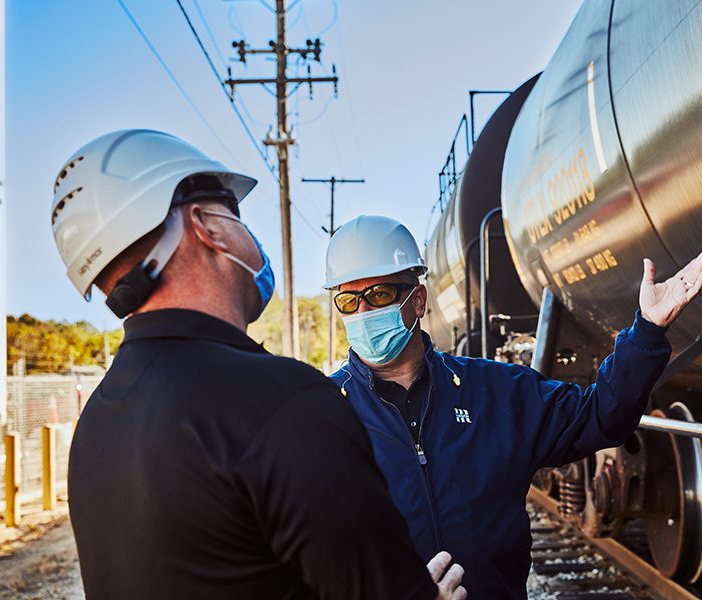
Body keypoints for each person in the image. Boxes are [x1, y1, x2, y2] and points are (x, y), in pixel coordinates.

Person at [50, 131, 467, 600]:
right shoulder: (285, 403)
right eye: (236, 215)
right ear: (206, 225)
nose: (249, 235)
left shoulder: (96, 424)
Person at [324, 215, 702, 599]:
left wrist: (646, 330)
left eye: (379, 296)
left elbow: (601, 416)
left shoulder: (495, 392)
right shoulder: (320, 416)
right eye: (348, 300)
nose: (363, 314)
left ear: (418, 299)